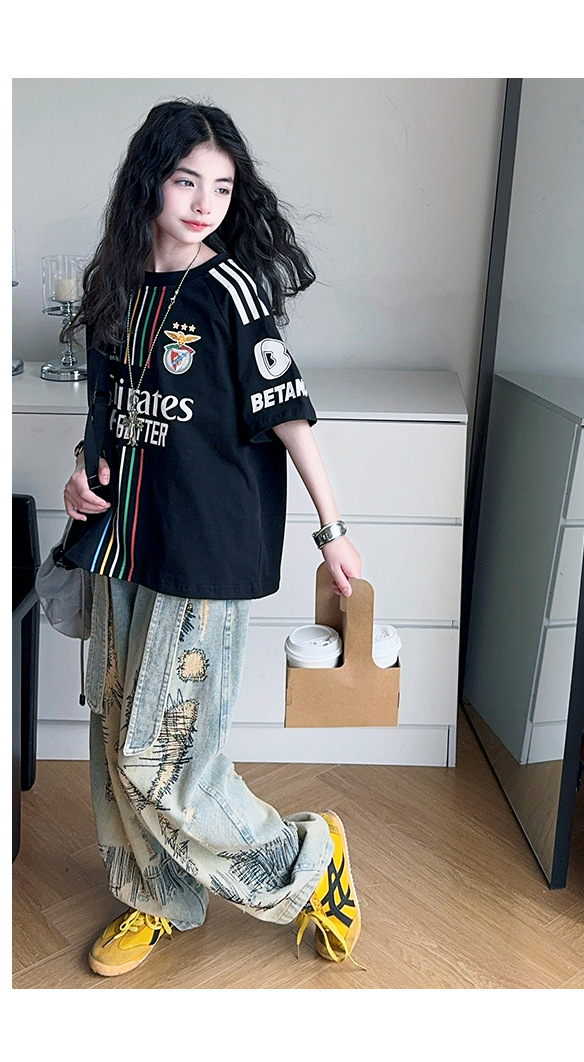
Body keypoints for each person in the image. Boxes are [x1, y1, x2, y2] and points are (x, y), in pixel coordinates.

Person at [60, 99, 364, 977]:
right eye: (187, 181)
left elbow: (290, 414)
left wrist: (333, 531)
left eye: (222, 188)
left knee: (166, 756)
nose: (204, 203)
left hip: (204, 552)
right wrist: (80, 473)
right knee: (117, 739)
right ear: (148, 182)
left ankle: (307, 863)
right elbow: (107, 411)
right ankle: (156, 897)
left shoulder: (229, 290)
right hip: (121, 542)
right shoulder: (114, 286)